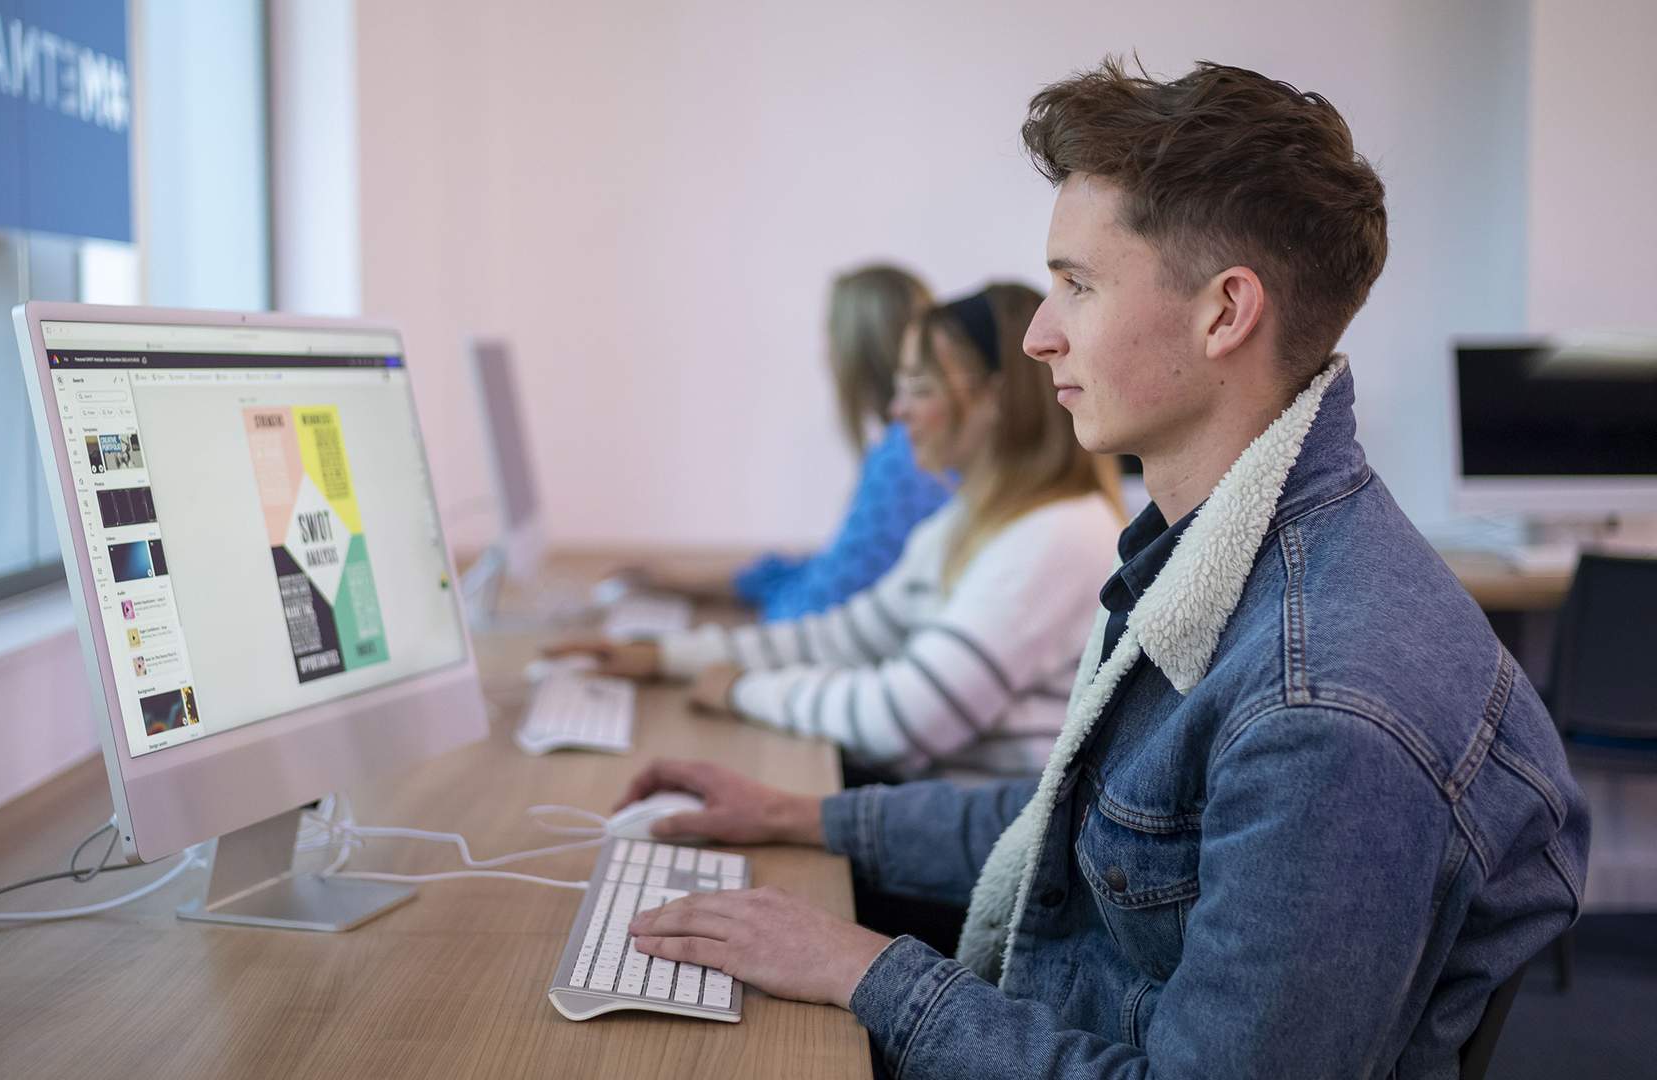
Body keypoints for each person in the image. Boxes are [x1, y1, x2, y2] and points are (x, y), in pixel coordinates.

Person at [615, 58, 1590, 1078]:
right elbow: (1078, 829)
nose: (1040, 337)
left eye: (1077, 285)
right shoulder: (1210, 558)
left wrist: (865, 969)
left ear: (1225, 314)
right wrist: (796, 816)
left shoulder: (1324, 710)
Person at [554, 284, 1121, 780]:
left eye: (919, 388)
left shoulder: (1057, 537)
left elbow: (904, 719)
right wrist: (667, 657)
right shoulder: (970, 519)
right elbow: (847, 636)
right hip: (925, 805)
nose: (898, 411)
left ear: (996, 400)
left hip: (964, 846)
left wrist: (740, 690)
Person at [668, 264, 954, 620]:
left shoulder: (904, 458)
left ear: (854, 350)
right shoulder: (913, 448)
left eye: (829, 335)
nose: (825, 353)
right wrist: (695, 585)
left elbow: (818, 606)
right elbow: (834, 566)